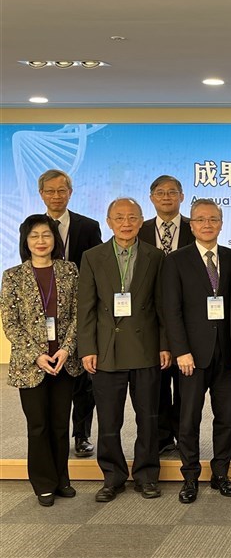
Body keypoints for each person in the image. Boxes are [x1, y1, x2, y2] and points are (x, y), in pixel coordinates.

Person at [78, 197, 171, 502]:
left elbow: (163, 308)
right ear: (109, 222)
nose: (126, 223)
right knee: (109, 419)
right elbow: (87, 308)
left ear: (141, 220)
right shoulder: (93, 257)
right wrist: (87, 348)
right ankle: (113, 477)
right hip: (107, 350)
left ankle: (146, 475)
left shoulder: (156, 256)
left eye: (132, 218)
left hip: (145, 349)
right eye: (120, 218)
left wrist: (164, 345)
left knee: (148, 418)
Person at [1, 215, 82, 506]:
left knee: (60, 424)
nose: (40, 241)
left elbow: (78, 315)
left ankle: (62, 478)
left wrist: (66, 348)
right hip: (29, 364)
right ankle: (43, 482)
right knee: (38, 425)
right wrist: (36, 355)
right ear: (26, 240)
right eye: (34, 236)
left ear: (54, 239)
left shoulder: (70, 271)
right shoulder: (12, 275)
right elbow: (10, 322)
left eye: (46, 235)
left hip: (63, 361)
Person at [161, 199, 231, 503]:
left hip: (226, 353)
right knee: (189, 418)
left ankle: (221, 473)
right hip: (191, 355)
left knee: (225, 418)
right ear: (191, 225)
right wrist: (181, 350)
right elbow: (171, 310)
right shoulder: (176, 260)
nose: (207, 225)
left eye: (213, 219)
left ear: (221, 223)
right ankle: (190, 476)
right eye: (201, 220)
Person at [38, 169, 102, 458]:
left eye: (61, 190)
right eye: (50, 191)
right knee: (51, 378)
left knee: (83, 381)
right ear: (41, 194)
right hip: (47, 315)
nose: (56, 195)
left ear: (70, 193)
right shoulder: (32, 227)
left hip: (82, 313)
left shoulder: (88, 227)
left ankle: (81, 435)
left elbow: (98, 271)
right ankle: (54, 436)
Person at [139, 175, 195, 455]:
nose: (166, 197)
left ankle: (183, 435)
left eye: (172, 192)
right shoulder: (139, 230)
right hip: (149, 319)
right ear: (151, 198)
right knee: (158, 383)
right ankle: (162, 437)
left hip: (188, 319)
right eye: (160, 192)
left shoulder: (194, 227)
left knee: (186, 386)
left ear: (182, 197)